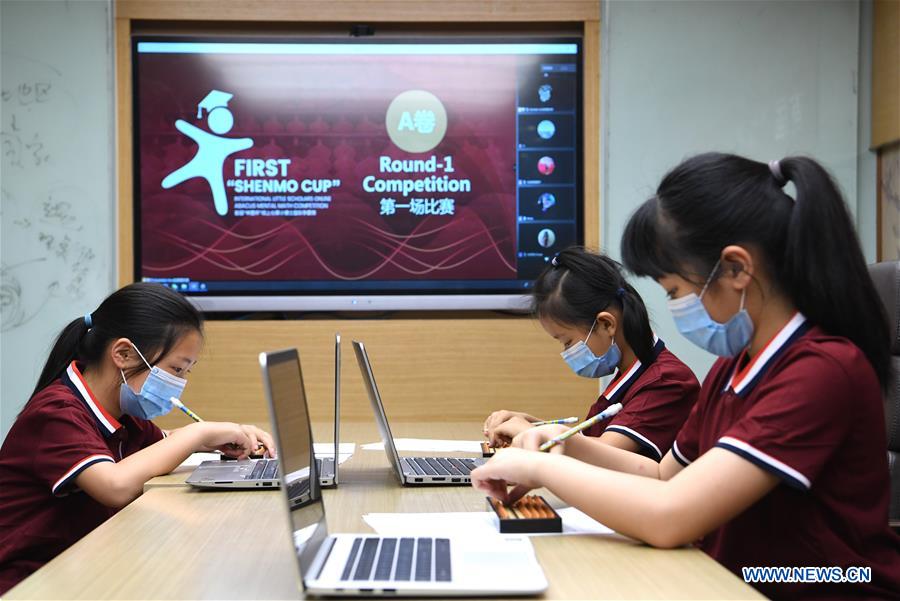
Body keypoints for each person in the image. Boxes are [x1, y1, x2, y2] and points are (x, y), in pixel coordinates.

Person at [472, 154, 900, 599]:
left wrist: (542, 466)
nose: (675, 306)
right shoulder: (732, 368)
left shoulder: (820, 371)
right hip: (735, 580)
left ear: (736, 269)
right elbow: (663, 477)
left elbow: (669, 515)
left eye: (676, 290)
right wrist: (564, 443)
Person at [0, 282, 274, 594]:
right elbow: (114, 486)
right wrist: (200, 431)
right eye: (176, 369)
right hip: (25, 585)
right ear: (124, 354)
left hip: (80, 570)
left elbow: (159, 447)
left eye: (186, 371)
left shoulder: (122, 410)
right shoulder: (56, 413)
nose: (179, 382)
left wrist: (216, 438)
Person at [483, 247, 699, 461]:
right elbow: (587, 443)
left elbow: (605, 454)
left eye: (567, 341)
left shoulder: (668, 382)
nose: (566, 353)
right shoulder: (629, 378)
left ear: (606, 324)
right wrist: (534, 426)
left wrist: (530, 434)